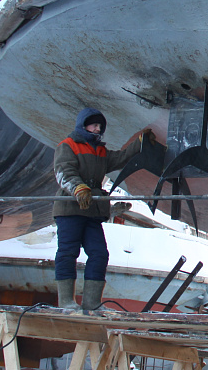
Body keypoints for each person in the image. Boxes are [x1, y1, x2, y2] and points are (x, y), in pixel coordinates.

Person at [53, 107, 154, 311]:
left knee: (99, 254)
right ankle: (66, 302)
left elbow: (121, 158)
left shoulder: (100, 151)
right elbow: (64, 171)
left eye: (100, 126)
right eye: (94, 124)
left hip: (92, 211)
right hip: (70, 209)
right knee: (68, 252)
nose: (98, 129)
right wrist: (78, 188)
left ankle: (92, 303)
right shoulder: (68, 146)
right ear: (83, 125)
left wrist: (139, 144)